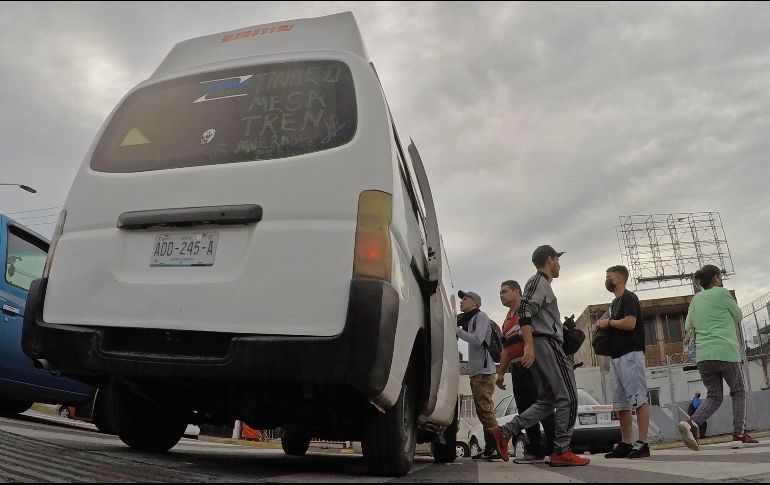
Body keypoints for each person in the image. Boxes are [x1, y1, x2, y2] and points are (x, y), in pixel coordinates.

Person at [489, 245, 589, 467]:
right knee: (568, 397)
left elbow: (532, 314)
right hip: (546, 344)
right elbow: (525, 312)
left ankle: (505, 432)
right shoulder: (538, 282)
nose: (559, 265)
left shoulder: (541, 285)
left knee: (547, 401)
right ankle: (561, 450)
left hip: (544, 343)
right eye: (557, 260)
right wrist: (530, 346)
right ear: (550, 260)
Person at [678, 265, 758, 451]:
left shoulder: (696, 299)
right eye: (720, 276)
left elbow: (689, 324)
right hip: (726, 352)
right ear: (715, 278)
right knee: (738, 392)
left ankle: (691, 423)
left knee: (714, 396)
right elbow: (738, 316)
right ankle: (739, 435)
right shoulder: (722, 293)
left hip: (704, 356)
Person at [495, 279, 556, 464]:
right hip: (516, 369)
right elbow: (506, 349)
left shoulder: (528, 309)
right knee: (524, 408)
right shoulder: (506, 319)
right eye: (500, 293)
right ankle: (535, 450)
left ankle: (556, 448)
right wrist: (500, 373)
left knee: (542, 407)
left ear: (516, 292)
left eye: (504, 291)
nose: (501, 295)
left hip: (533, 365)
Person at [599, 265, 651, 459]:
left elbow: (630, 323)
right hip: (616, 356)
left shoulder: (629, 298)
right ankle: (626, 442)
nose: (607, 279)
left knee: (638, 398)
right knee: (621, 403)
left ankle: (643, 442)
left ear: (619, 278)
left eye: (609, 276)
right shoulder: (614, 303)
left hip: (631, 353)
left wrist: (609, 323)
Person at [456, 290, 500, 460]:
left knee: (486, 411)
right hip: (477, 373)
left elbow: (478, 339)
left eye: (465, 299)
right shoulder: (470, 319)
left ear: (475, 302)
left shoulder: (481, 317)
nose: (461, 302)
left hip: (483, 373)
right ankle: (490, 448)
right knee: (483, 412)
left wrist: (457, 330)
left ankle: (496, 447)